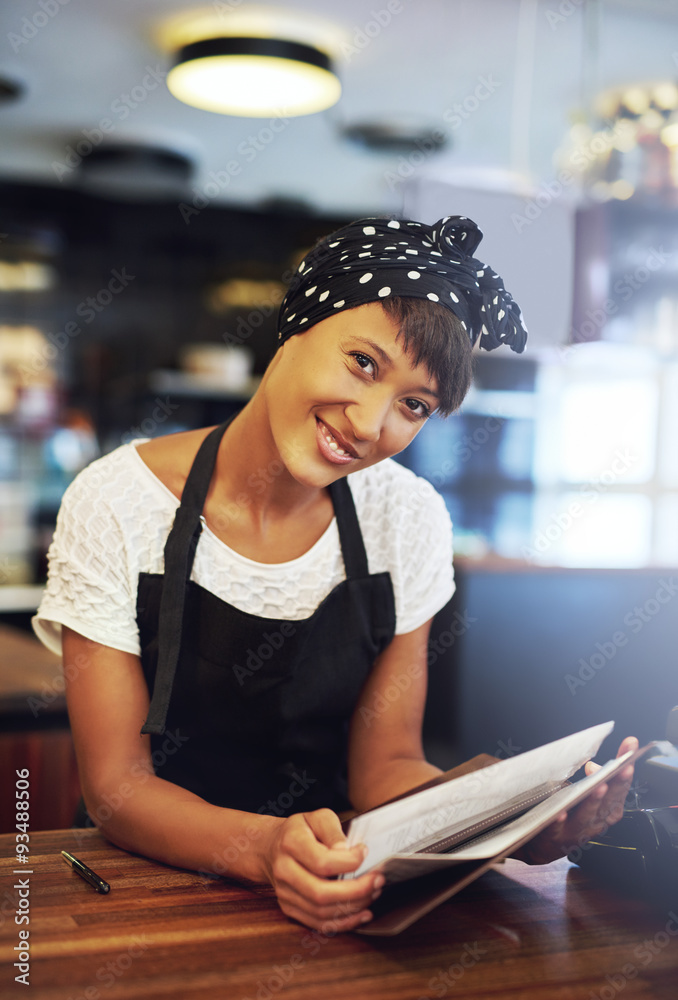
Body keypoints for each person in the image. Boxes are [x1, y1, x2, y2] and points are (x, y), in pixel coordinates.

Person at [33, 215, 637, 933]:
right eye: (363, 362)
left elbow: (386, 771)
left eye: (414, 405)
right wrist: (265, 849)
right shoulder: (116, 502)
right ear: (297, 321)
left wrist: (516, 821)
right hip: (140, 899)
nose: (369, 422)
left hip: (332, 901)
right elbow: (117, 789)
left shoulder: (406, 518)